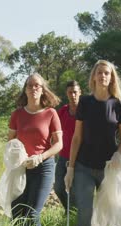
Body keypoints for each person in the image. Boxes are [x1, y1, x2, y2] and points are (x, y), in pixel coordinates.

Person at [64, 60, 121, 226]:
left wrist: (119, 153)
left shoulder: (118, 104)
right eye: (99, 72)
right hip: (83, 166)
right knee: (85, 211)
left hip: (108, 168)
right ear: (93, 76)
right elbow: (76, 137)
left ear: (111, 78)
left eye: (107, 73)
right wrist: (70, 168)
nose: (103, 76)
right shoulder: (85, 103)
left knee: (106, 211)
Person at [8, 73, 63, 226]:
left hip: (43, 168)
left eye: (37, 85)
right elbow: (10, 142)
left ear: (43, 90)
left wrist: (40, 157)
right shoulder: (17, 114)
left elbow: (59, 144)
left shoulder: (51, 113)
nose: (33, 88)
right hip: (21, 168)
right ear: (25, 90)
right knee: (18, 214)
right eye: (30, 85)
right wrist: (19, 157)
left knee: (32, 215)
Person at [54, 80, 81, 211]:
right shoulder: (63, 111)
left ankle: (74, 216)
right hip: (63, 156)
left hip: (81, 158)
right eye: (70, 92)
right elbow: (55, 130)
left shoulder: (85, 111)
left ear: (80, 93)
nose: (73, 95)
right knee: (58, 187)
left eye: (75, 92)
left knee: (76, 190)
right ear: (67, 93)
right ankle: (69, 210)